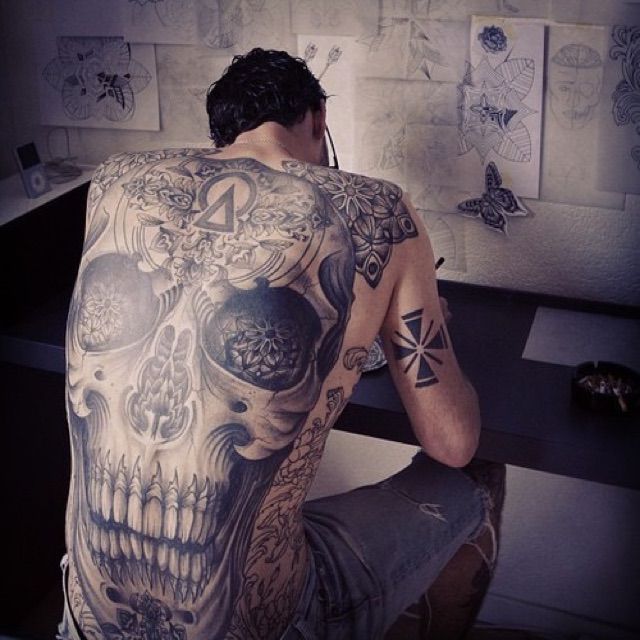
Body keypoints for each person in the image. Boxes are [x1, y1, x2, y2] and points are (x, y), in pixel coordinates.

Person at [59, 47, 505, 640]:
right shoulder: (378, 209)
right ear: (318, 119)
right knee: (481, 474)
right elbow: (452, 441)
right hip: (270, 625)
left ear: (223, 133)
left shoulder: (116, 180)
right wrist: (419, 321)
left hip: (83, 618)